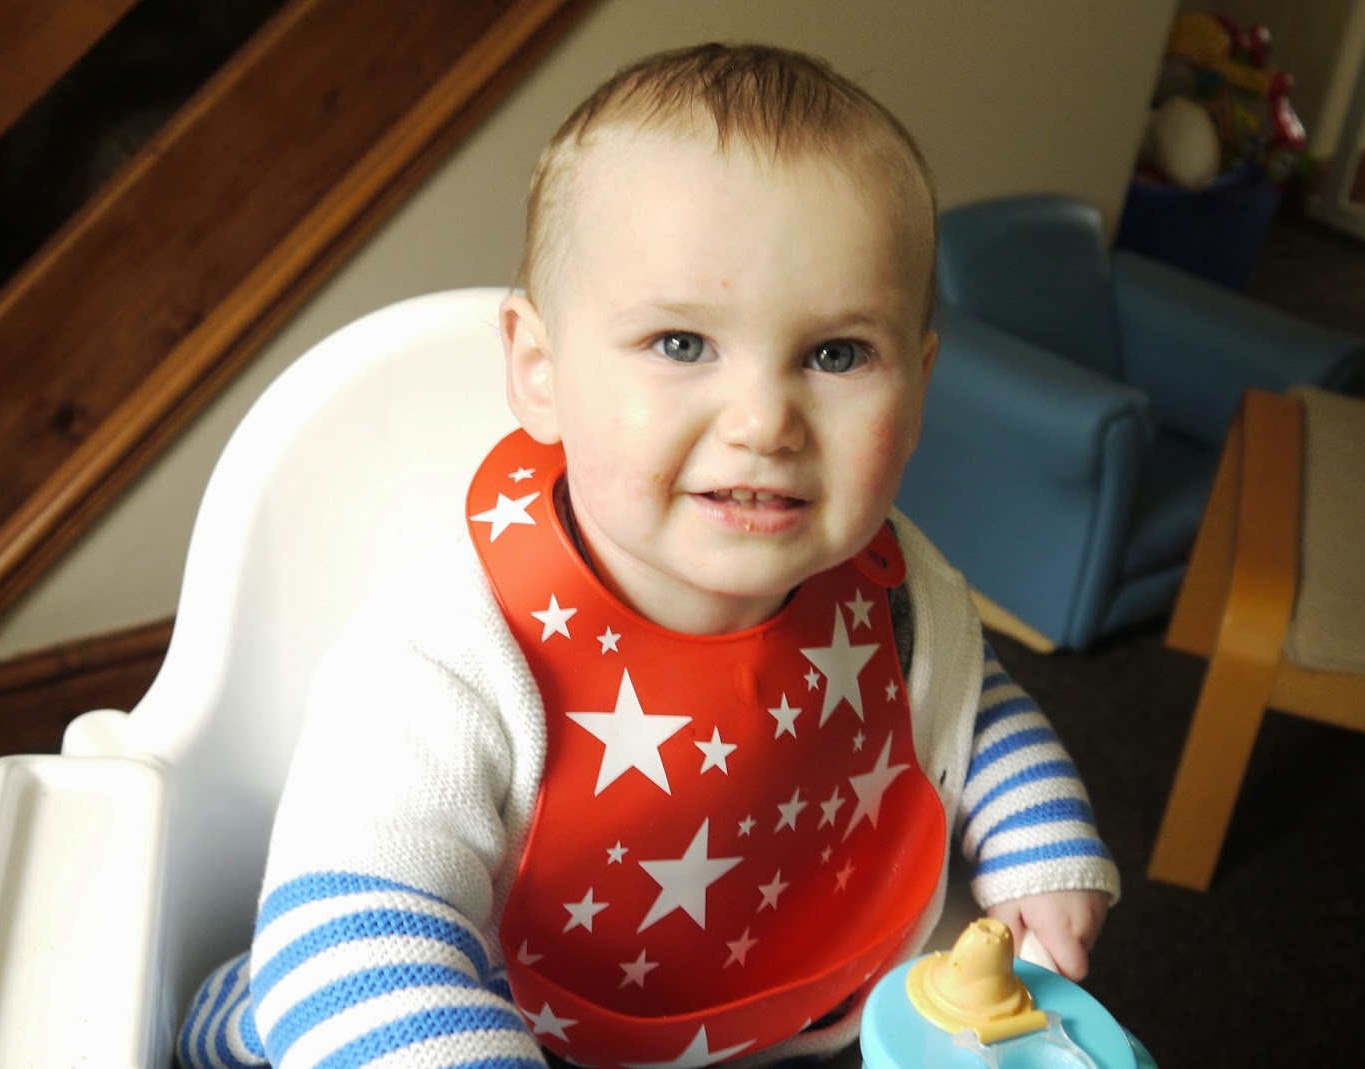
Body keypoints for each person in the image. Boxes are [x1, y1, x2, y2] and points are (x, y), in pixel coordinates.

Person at [177, 42, 1119, 1069]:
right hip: (469, 1013)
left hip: (760, 1007)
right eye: (681, 343)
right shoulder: (451, 655)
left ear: (919, 385)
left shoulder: (889, 599)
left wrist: (1039, 841)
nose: (764, 421)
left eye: (836, 353)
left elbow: (970, 701)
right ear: (540, 370)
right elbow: (353, 936)